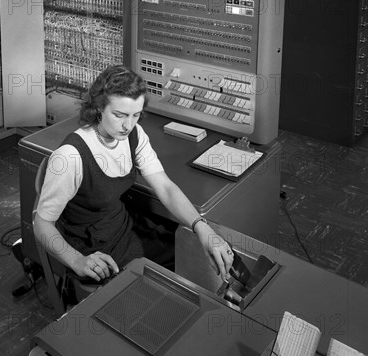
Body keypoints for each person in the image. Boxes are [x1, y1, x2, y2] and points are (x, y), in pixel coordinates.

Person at [34, 65, 234, 283]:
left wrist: (201, 227)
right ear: (99, 107)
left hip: (122, 226)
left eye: (135, 115)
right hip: (92, 247)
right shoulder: (70, 157)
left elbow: (165, 187)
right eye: (119, 115)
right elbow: (42, 224)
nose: (128, 125)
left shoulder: (133, 135)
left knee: (189, 256)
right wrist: (77, 261)